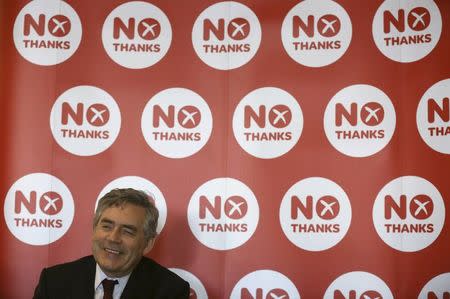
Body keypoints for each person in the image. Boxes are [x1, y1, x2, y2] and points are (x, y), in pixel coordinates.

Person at [33, 188, 190, 299]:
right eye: (107, 226)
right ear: (94, 229)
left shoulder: (171, 291)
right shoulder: (54, 282)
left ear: (148, 243)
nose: (113, 238)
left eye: (128, 231)